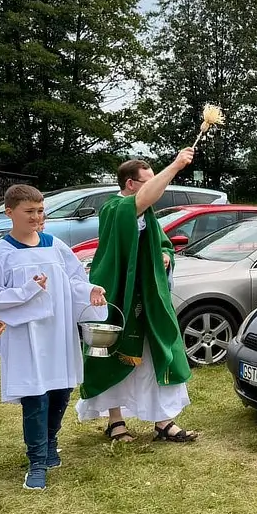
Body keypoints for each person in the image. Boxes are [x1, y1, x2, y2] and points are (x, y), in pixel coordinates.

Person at [75, 149, 199, 443]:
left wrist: (166, 255)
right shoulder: (114, 208)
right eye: (148, 181)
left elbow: (163, 243)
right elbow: (141, 203)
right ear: (130, 184)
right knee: (113, 357)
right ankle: (115, 422)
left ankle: (163, 421)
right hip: (119, 294)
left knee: (156, 355)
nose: (155, 186)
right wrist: (176, 165)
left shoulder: (149, 215)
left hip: (150, 298)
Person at [0, 184, 106, 491]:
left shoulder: (55, 245)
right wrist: (28, 290)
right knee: (35, 397)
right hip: (25, 336)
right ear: (9, 212)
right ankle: (37, 462)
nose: (37, 217)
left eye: (40, 211)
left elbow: (73, 280)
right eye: (29, 211)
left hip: (58, 330)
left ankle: (51, 443)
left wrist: (90, 290)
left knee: (60, 391)